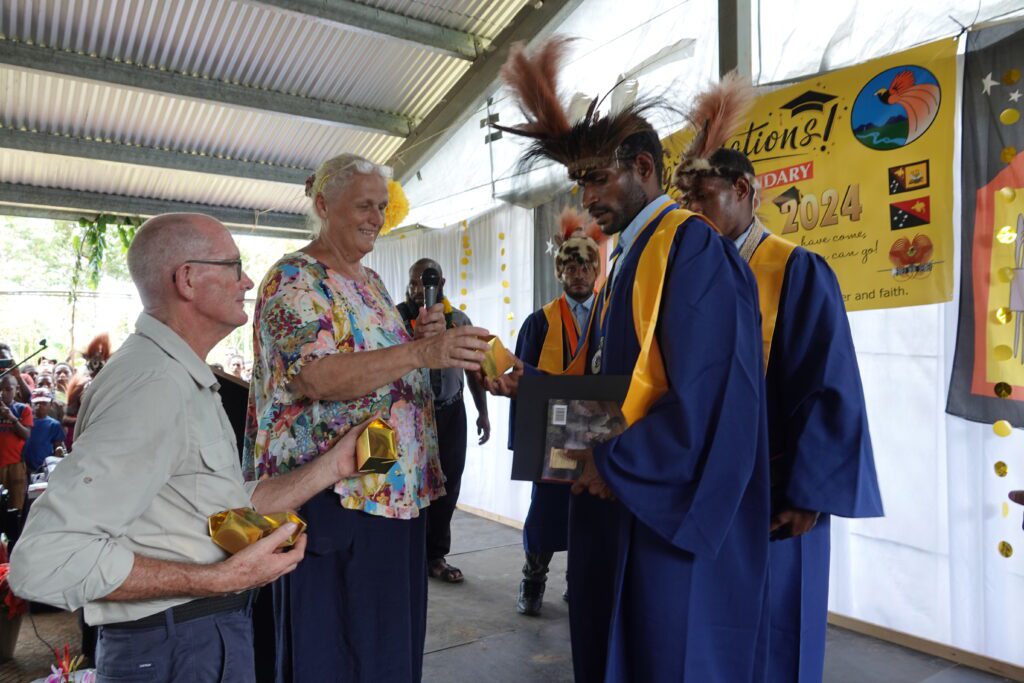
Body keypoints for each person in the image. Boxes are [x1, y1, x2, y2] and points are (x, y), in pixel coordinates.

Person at [485, 37, 771, 681]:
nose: (585, 198)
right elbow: (625, 391)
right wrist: (536, 391)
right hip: (621, 504)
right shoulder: (630, 262)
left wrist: (617, 462)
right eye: (579, 181)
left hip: (657, 511)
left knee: (663, 658)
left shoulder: (690, 250)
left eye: (595, 178)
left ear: (643, 166)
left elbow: (712, 398)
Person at [11, 212, 373, 681]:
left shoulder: (179, 377)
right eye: (233, 266)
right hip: (174, 646)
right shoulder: (153, 384)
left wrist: (335, 465)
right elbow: (45, 559)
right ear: (187, 279)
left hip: (195, 639)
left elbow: (221, 508)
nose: (246, 280)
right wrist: (219, 580)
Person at [243, 153, 489, 682]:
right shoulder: (294, 279)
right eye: (363, 205)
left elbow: (380, 368)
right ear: (323, 203)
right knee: (335, 652)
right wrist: (421, 354)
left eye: (381, 206)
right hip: (336, 498)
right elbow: (315, 376)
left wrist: (423, 346)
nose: (375, 217)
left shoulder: (372, 281)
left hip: (395, 495)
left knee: (387, 649)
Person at [674, 74, 884, 683]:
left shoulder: (796, 270)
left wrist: (808, 494)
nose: (693, 215)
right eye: (686, 204)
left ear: (744, 190)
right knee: (711, 631)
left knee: (778, 630)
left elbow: (829, 385)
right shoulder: (692, 278)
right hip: (708, 491)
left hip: (775, 492)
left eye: (704, 201)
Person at [512, 208, 599, 616]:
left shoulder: (611, 316)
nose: (579, 274)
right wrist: (525, 442)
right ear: (560, 272)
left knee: (591, 509)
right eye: (571, 267)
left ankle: (579, 582)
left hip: (596, 428)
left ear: (596, 270)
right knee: (546, 512)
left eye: (586, 266)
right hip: (552, 432)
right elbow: (520, 380)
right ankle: (533, 582)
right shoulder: (540, 322)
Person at [396, 258, 491, 584]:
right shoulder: (395, 318)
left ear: (442, 283)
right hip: (408, 416)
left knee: (448, 487)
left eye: (426, 282)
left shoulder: (458, 320)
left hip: (451, 413)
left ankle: (435, 556)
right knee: (408, 486)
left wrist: (483, 412)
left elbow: (475, 371)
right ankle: (407, 556)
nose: (419, 290)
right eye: (414, 283)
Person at [0, 374, 32, 512]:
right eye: (1, 389)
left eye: (8, 389)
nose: (3, 393)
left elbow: (26, 435)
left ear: (16, 389)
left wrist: (12, 418)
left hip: (16, 465)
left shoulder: (23, 409)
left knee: (16, 507)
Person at [21, 388, 66, 473]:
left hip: (45, 467)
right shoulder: (24, 422)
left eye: (44, 403)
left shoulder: (54, 425)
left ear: (51, 404)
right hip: (24, 466)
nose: (40, 406)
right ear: (31, 404)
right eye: (36, 403)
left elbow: (57, 446)